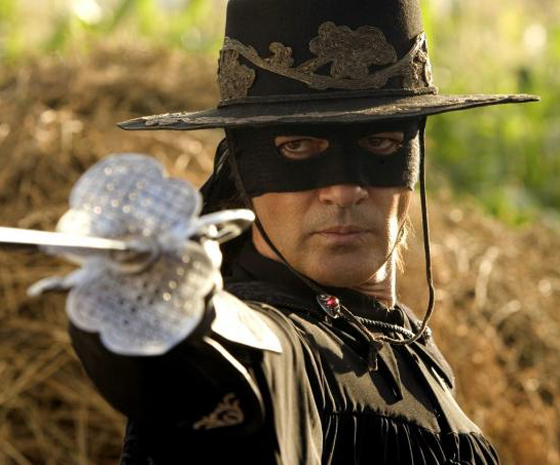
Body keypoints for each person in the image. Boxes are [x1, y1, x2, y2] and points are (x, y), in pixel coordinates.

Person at [70, 0, 538, 464]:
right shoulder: (272, 349)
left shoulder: (413, 349)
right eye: (297, 146)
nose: (344, 191)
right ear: (243, 169)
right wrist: (174, 309)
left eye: (380, 142)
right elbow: (231, 362)